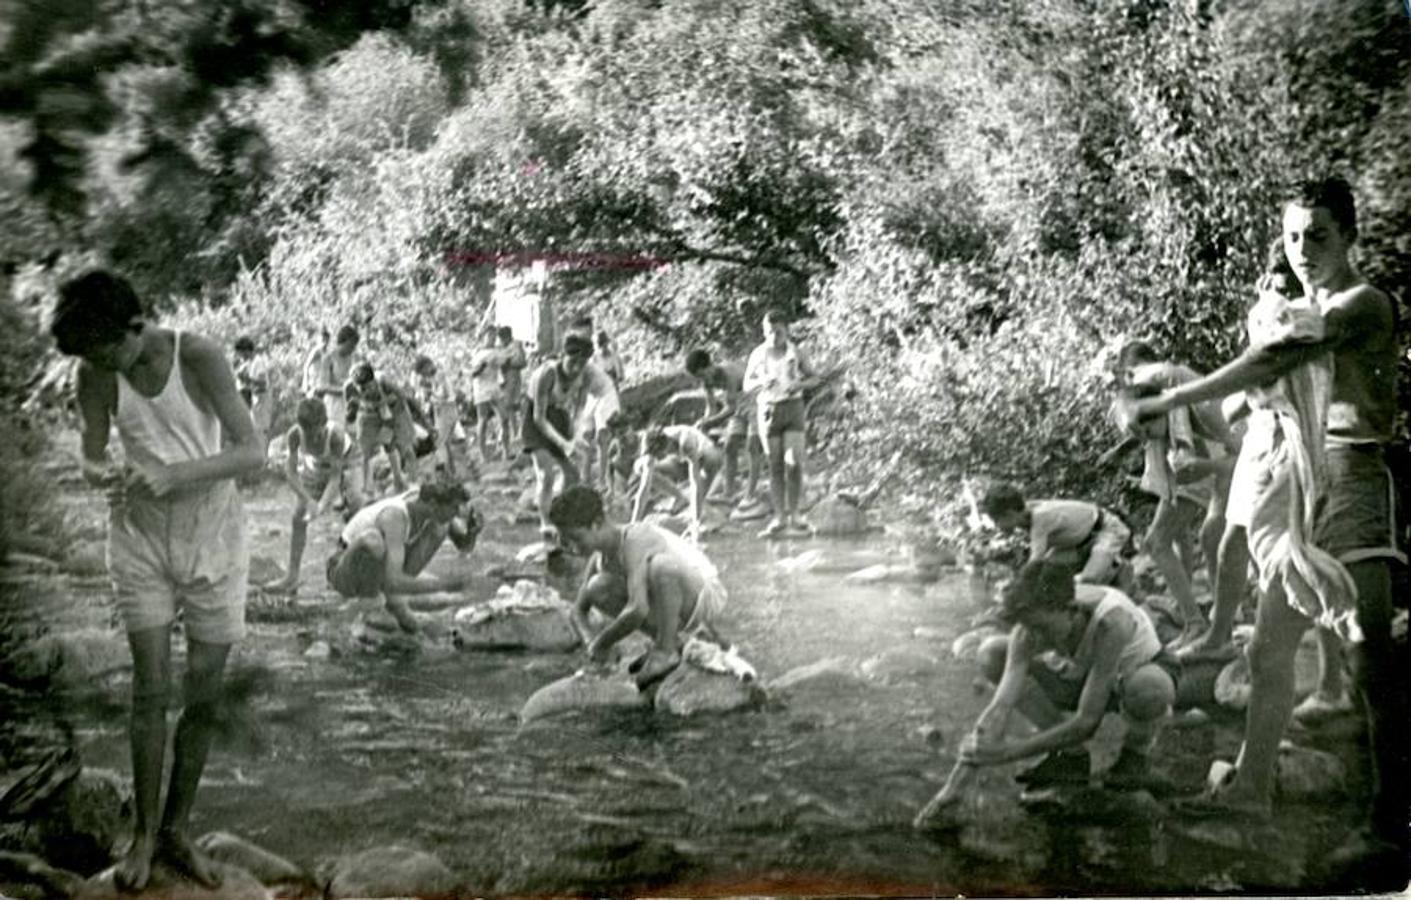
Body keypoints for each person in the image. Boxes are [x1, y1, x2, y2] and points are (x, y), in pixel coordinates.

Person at [1121, 177, 1405, 867]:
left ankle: (1389, 826)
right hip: (1298, 481)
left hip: (1355, 478)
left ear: (1348, 237)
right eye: (1290, 236)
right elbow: (1258, 392)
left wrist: (1171, 396)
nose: (1302, 249)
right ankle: (1250, 787)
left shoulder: (1360, 304)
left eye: (1318, 235)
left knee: (1370, 656)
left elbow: (1282, 358)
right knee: (1265, 648)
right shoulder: (1296, 308)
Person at [51, 269, 265, 890]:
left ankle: (177, 829)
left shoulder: (196, 356)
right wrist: (97, 472)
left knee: (202, 696)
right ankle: (143, 837)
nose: (99, 363)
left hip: (213, 537)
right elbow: (91, 450)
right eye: (89, 356)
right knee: (150, 692)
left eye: (106, 349)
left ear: (136, 324)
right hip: (139, 538)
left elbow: (253, 452)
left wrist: (177, 474)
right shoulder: (93, 372)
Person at [915, 560, 1186, 828]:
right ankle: (1070, 755)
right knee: (992, 653)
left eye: (1042, 628)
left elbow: (1086, 723)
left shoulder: (1112, 622)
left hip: (1135, 675)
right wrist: (951, 791)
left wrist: (1008, 753)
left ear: (1070, 611)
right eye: (1029, 627)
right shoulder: (1030, 626)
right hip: (1080, 676)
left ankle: (1134, 758)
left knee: (1149, 689)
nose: (1034, 636)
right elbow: (1000, 708)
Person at [1114, 346, 1240, 647]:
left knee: (1172, 541)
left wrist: (1205, 466)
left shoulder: (1193, 410)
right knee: (1208, 539)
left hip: (1240, 463)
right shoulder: (1174, 419)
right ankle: (1218, 621)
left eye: (1145, 430)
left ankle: (1203, 623)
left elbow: (1243, 458)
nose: (1145, 440)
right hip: (1216, 465)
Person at [550, 485, 728, 688]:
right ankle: (675, 643)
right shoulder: (601, 557)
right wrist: (592, 644)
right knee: (597, 587)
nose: (571, 548)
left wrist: (603, 642)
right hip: (681, 602)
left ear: (597, 523)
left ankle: (666, 650)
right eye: (565, 541)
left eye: (576, 539)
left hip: (705, 594)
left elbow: (638, 609)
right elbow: (578, 611)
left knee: (661, 567)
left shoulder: (636, 538)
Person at [325, 482, 482, 633]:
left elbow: (464, 547)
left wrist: (472, 533)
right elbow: (392, 581)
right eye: (454, 508)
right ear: (434, 504)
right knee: (374, 542)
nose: (457, 512)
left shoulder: (428, 505)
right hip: (344, 570)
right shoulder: (395, 516)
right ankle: (371, 604)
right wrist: (443, 586)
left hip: (378, 571)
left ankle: (394, 599)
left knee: (440, 528)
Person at [267, 398, 363, 595]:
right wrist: (307, 500)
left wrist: (322, 505)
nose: (313, 437)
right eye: (308, 433)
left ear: (324, 423)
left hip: (349, 459)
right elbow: (291, 473)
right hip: (316, 465)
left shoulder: (335, 435)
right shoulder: (294, 435)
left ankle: (352, 572)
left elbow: (335, 478)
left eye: (317, 432)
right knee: (298, 517)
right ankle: (292, 577)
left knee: (356, 505)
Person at [743, 311, 817, 536]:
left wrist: (800, 385)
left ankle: (795, 513)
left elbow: (815, 378)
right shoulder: (758, 354)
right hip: (768, 411)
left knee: (793, 462)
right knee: (774, 465)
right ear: (764, 332)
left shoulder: (797, 352)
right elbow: (747, 384)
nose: (774, 337)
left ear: (787, 330)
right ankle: (779, 517)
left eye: (779, 332)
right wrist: (762, 382)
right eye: (769, 333)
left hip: (793, 407)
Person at [980, 483, 1133, 586]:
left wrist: (1015, 585)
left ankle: (1117, 568)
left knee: (1087, 580)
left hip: (1108, 529)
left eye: (997, 520)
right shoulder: (1025, 513)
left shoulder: (1040, 517)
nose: (996, 526)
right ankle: (1102, 565)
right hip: (1081, 540)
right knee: (1049, 573)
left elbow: (1035, 560)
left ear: (1010, 513)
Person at [522, 333, 597, 537]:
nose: (576, 368)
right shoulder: (547, 373)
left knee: (572, 474)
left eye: (582, 363)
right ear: (563, 355)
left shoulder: (586, 375)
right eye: (573, 361)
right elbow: (539, 417)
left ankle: (559, 512)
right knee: (546, 474)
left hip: (560, 416)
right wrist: (562, 443)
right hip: (536, 418)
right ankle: (545, 523)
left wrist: (575, 436)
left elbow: (579, 410)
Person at [684, 348, 762, 509]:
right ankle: (729, 492)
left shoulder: (728, 373)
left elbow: (730, 408)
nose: (702, 380)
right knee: (729, 446)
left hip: (755, 401)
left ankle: (751, 494)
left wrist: (711, 422)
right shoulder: (706, 382)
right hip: (737, 407)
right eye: (698, 378)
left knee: (752, 446)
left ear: (709, 366)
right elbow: (711, 408)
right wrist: (703, 425)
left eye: (702, 375)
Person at [631, 425, 723, 539]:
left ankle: (699, 514)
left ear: (667, 444)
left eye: (661, 455)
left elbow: (695, 482)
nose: (659, 458)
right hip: (681, 462)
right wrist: (634, 523)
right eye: (657, 456)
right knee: (640, 466)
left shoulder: (686, 441)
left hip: (705, 458)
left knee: (712, 459)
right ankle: (679, 498)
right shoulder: (651, 441)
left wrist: (695, 524)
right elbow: (644, 487)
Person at [345, 361, 420, 492]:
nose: (366, 390)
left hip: (396, 411)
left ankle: (407, 481)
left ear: (373, 380)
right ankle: (365, 488)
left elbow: (403, 397)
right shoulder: (349, 388)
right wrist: (354, 409)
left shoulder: (383, 381)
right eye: (361, 388)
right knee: (364, 450)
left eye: (368, 386)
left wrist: (383, 402)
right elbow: (350, 414)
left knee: (403, 447)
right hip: (370, 415)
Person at [413, 354, 464, 478]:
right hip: (445, 410)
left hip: (445, 410)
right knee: (445, 443)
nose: (423, 375)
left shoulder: (439, 375)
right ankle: (452, 472)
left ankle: (447, 473)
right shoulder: (434, 377)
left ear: (427, 366)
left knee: (439, 443)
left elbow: (443, 395)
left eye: (423, 372)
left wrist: (430, 395)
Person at [468, 326, 508, 463]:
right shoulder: (478, 353)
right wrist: (484, 365)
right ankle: (483, 454)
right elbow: (473, 373)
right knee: (483, 420)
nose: (491, 338)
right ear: (483, 336)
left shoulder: (497, 351)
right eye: (489, 335)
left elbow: (505, 363)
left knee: (504, 417)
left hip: (494, 385)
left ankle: (506, 451)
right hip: (481, 387)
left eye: (493, 335)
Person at [232, 335, 274, 454]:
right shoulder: (249, 363)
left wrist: (247, 379)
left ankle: (262, 458)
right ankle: (258, 457)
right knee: (255, 428)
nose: (240, 357)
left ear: (246, 351)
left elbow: (263, 383)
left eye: (241, 353)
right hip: (255, 398)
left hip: (262, 397)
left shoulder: (258, 362)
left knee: (260, 430)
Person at [313, 325, 359, 425]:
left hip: (350, 405)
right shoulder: (328, 358)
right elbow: (322, 386)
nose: (352, 349)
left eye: (354, 346)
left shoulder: (354, 358)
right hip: (333, 406)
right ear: (343, 342)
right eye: (350, 345)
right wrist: (344, 391)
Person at [497, 326, 528, 446]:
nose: (503, 340)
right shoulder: (499, 347)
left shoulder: (516, 346)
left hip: (513, 375)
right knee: (507, 406)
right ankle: (510, 432)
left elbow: (522, 362)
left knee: (512, 405)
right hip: (502, 377)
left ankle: (517, 432)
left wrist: (508, 362)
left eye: (504, 338)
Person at [300, 328, 329, 399]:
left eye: (326, 340)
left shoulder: (327, 352)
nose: (324, 342)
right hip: (313, 383)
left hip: (322, 383)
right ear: (318, 340)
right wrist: (305, 383)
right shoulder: (316, 351)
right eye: (322, 340)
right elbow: (306, 366)